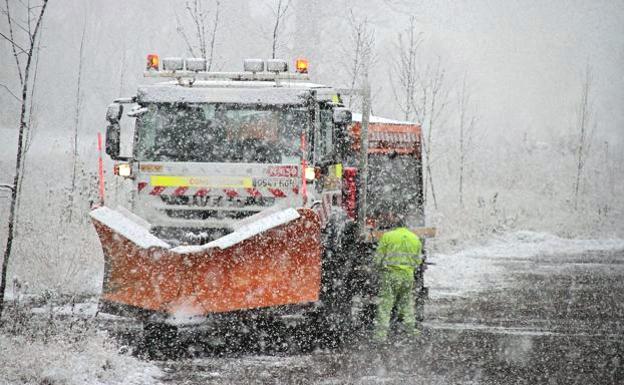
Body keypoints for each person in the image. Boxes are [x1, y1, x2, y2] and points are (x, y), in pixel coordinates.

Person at [372, 214, 423, 343]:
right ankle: (411, 330)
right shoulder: (415, 238)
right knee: (406, 303)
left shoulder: (388, 236)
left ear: (394, 226)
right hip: (407, 276)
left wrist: (377, 268)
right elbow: (417, 261)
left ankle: (380, 335)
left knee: (385, 305)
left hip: (390, 275)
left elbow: (378, 258)